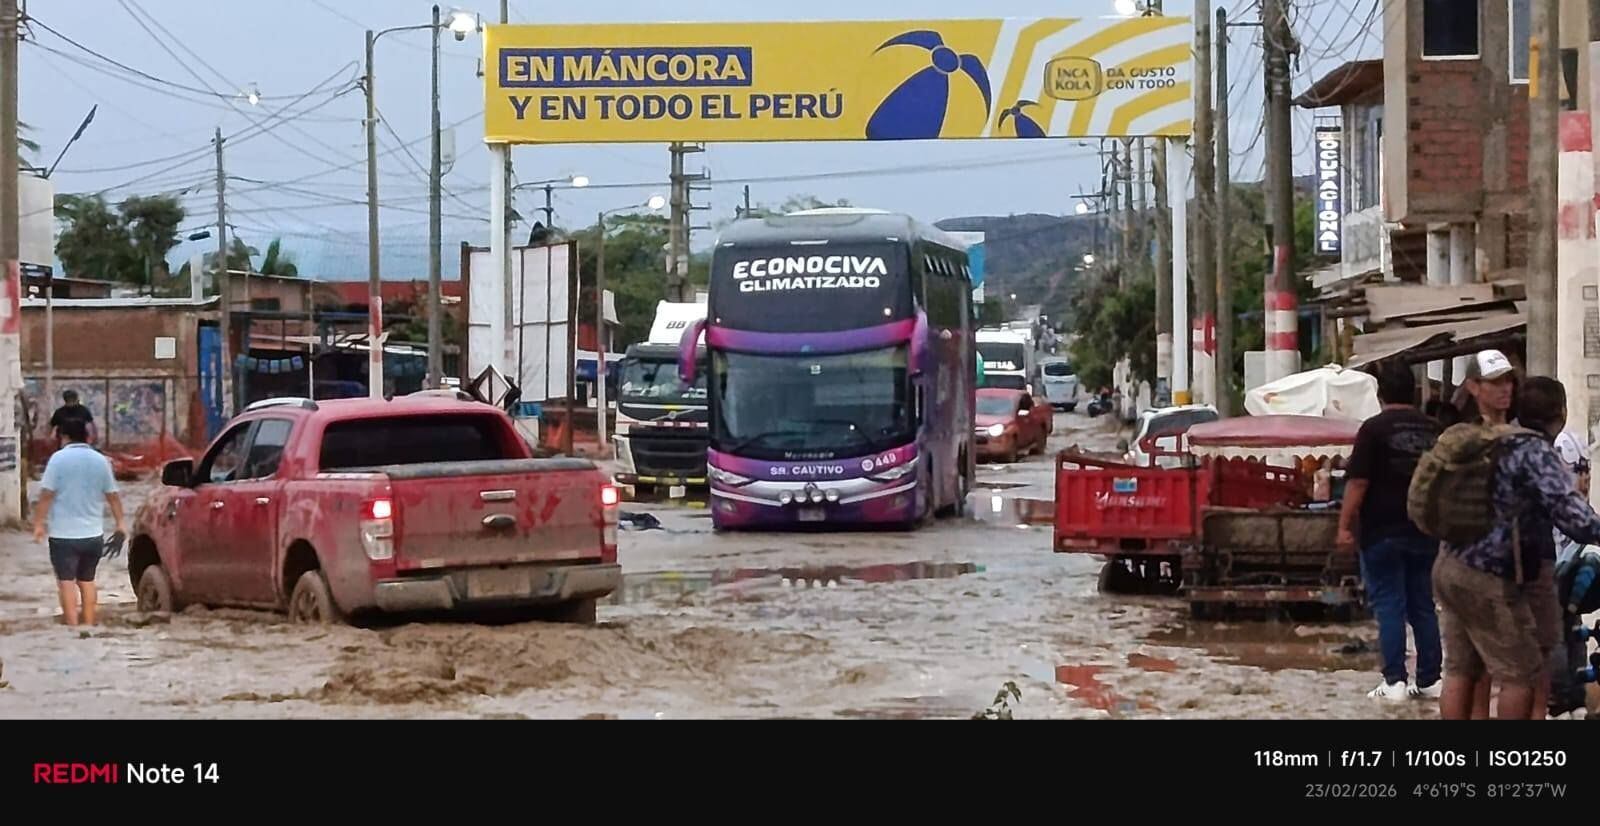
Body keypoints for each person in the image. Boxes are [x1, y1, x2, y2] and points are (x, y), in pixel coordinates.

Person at [1430, 377, 1600, 719]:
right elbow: (1573, 516)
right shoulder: (1534, 451)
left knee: (1462, 669)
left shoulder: (1489, 440)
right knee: (1523, 671)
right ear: (1562, 414)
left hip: (1451, 566)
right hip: (1496, 575)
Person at [1339, 359, 1443, 700]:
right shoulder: (1434, 430)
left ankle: (1394, 681)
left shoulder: (1372, 430)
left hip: (1381, 532)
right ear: (1413, 391)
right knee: (1422, 606)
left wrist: (1344, 526)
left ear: (1381, 394)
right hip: (1426, 531)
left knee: (1389, 607)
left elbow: (1357, 483)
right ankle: (1429, 681)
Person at [30, 417, 125, 628]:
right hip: (93, 535)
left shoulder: (58, 459)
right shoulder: (101, 460)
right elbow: (113, 496)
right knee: (87, 581)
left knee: (66, 582)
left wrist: (38, 524)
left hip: (63, 535)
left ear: (63, 437)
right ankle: (89, 626)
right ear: (87, 436)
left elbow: (46, 495)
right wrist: (120, 524)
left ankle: (72, 629)